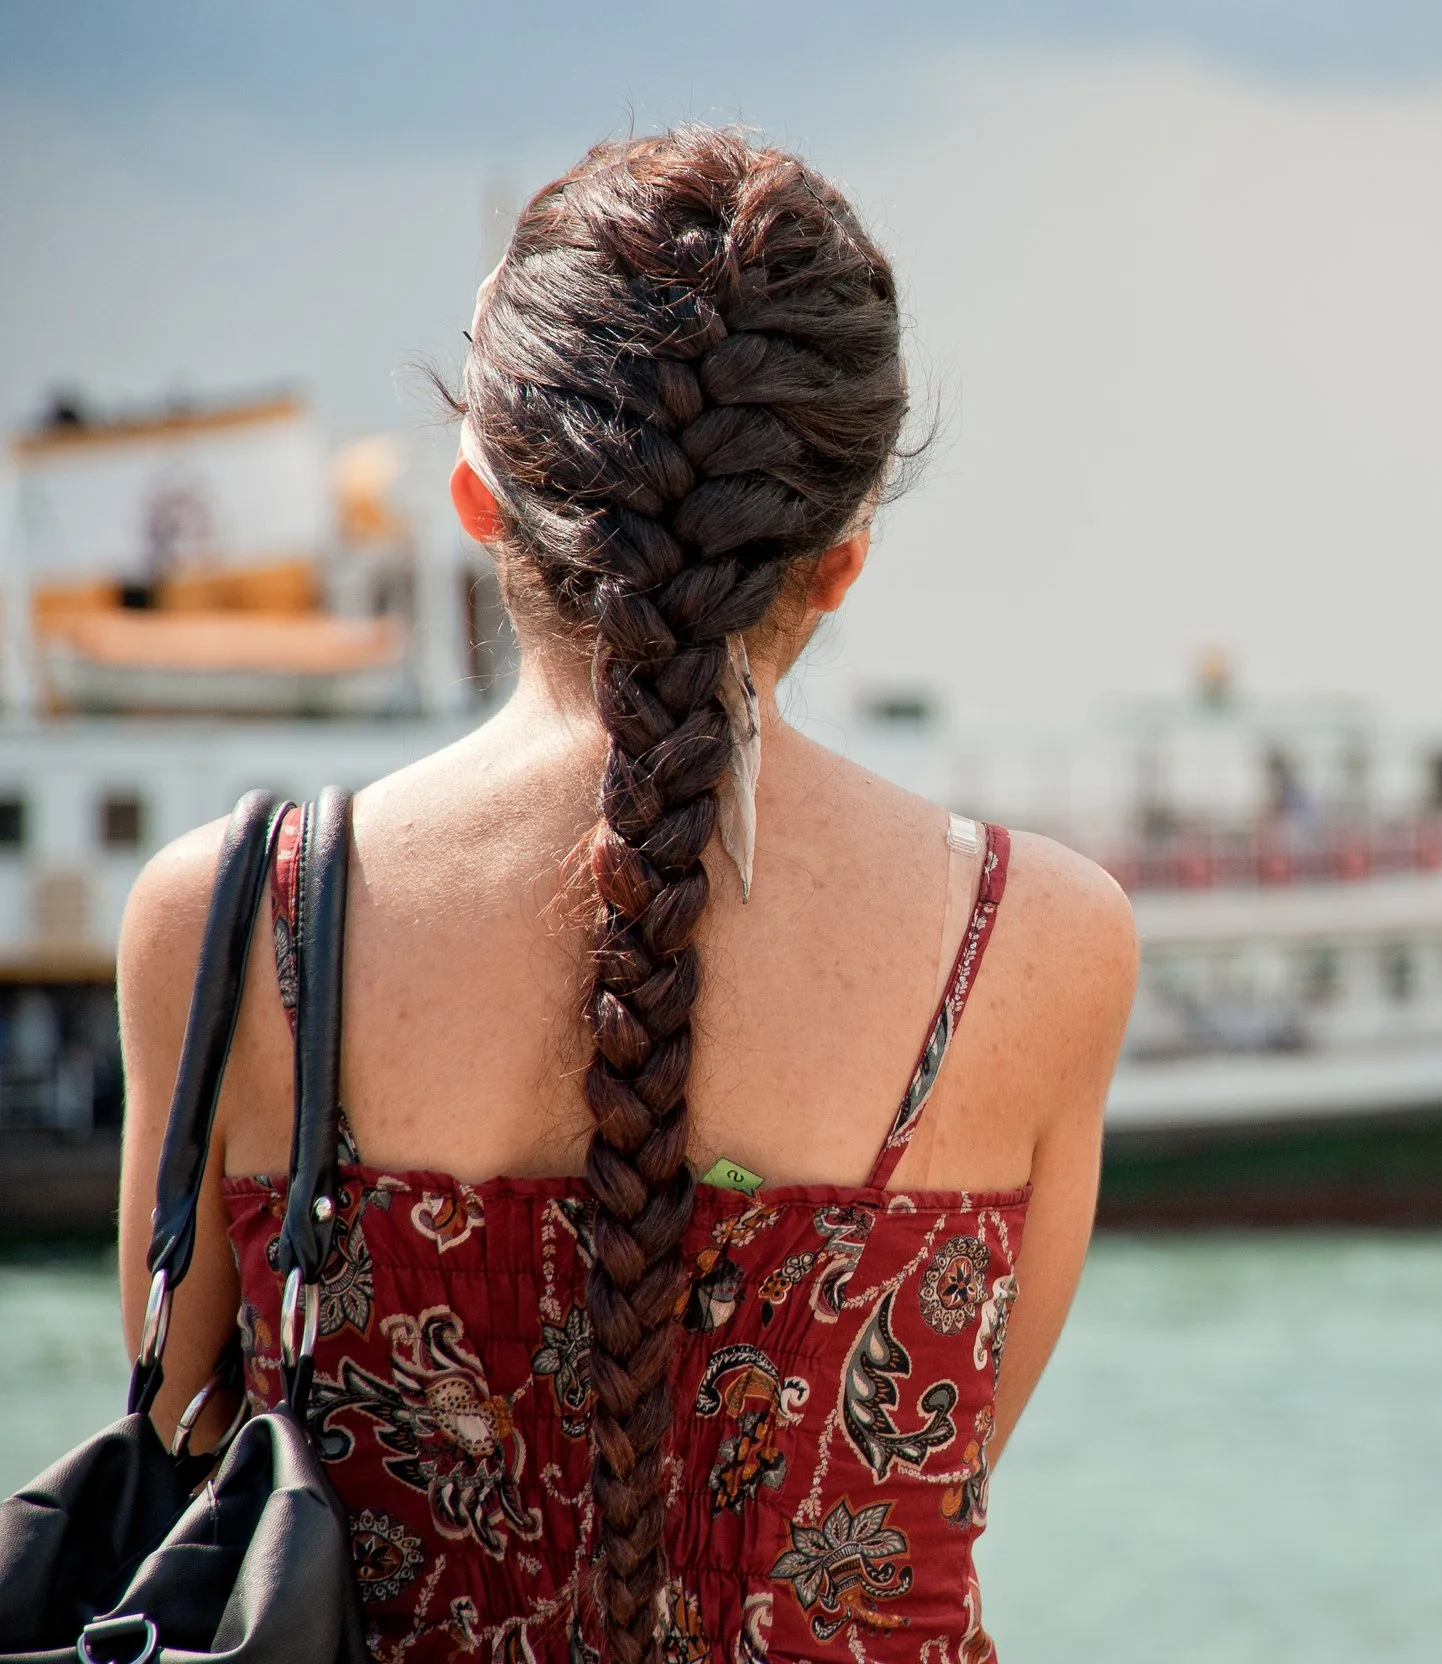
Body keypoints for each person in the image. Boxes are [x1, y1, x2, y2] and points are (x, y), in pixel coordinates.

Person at [111, 127, 1137, 1664]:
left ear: (477, 502)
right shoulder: (1034, 938)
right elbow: (953, 1467)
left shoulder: (238, 912)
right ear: (844, 559)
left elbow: (182, 1442)